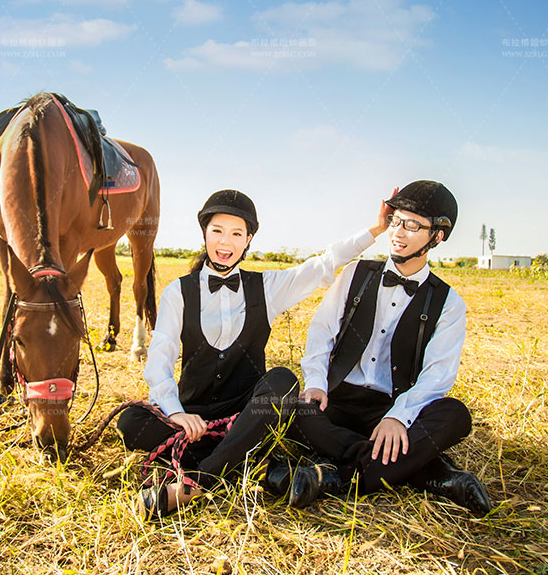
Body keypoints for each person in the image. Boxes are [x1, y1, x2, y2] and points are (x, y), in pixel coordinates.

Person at [116, 189, 393, 518]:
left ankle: (198, 482)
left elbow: (323, 264)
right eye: (217, 231)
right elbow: (159, 361)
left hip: (248, 416)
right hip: (195, 420)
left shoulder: (267, 287)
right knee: (131, 421)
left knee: (284, 381)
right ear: (204, 233)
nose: (225, 242)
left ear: (248, 240)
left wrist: (375, 231)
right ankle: (251, 462)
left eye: (236, 234)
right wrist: (177, 413)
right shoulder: (178, 292)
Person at [273, 180, 492, 516]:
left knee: (455, 416)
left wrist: (399, 418)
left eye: (413, 225)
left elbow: (438, 375)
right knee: (294, 410)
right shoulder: (355, 273)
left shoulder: (449, 302)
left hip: (394, 404)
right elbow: (321, 333)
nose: (398, 233)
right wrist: (316, 382)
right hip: (338, 400)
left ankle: (335, 478)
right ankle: (433, 474)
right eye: (396, 221)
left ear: (437, 236)